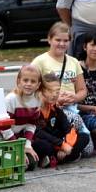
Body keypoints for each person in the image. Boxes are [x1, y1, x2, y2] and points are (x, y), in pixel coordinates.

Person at [32, 22, 92, 156]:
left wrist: (75, 97)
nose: (62, 44)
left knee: (88, 148)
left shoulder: (73, 62)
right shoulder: (39, 61)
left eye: (66, 40)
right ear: (49, 39)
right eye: (58, 40)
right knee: (74, 121)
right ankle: (63, 150)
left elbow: (82, 90)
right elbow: (31, 89)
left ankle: (63, 152)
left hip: (71, 107)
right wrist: (52, 99)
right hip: (49, 109)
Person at [1, 64, 42, 170]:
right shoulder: (11, 99)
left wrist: (27, 145)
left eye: (33, 81)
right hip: (1, 138)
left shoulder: (37, 100)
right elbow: (3, 128)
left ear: (38, 85)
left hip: (16, 138)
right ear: (19, 81)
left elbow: (31, 124)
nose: (28, 84)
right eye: (25, 80)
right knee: (15, 165)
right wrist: (19, 149)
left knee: (31, 163)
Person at [32, 74, 75, 168]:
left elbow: (68, 128)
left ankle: (52, 158)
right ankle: (57, 157)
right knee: (43, 145)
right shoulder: (34, 109)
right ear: (41, 90)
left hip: (55, 142)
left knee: (83, 137)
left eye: (57, 91)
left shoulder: (55, 109)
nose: (55, 94)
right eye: (50, 91)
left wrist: (67, 145)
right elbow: (37, 132)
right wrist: (61, 145)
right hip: (40, 141)